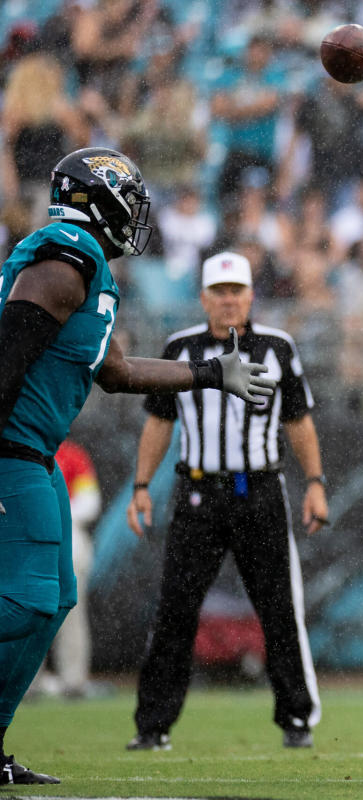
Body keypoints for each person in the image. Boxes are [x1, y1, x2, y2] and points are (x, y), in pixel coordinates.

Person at [0, 147, 276, 786]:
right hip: (10, 450)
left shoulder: (86, 269)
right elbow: (6, 353)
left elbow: (117, 373)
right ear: (97, 201)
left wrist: (210, 372)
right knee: (33, 601)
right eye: (127, 198)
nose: (136, 214)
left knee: (57, 596)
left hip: (33, 457)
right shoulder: (66, 259)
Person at [125, 251, 327, 752]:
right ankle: (153, 726)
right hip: (196, 493)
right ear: (204, 297)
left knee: (278, 608)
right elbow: (159, 421)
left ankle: (296, 718)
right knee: (176, 609)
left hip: (260, 490)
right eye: (219, 291)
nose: (229, 299)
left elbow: (298, 420)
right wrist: (140, 486)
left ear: (251, 295)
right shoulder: (181, 347)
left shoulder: (277, 346)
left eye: (237, 290)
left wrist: (317, 482)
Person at [31, 440, 102, 700]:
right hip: (28, 540)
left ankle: (73, 681)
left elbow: (90, 503)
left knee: (71, 612)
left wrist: (47, 512)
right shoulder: (15, 452)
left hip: (68, 537)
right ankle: (26, 682)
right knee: (27, 611)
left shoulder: (72, 455)